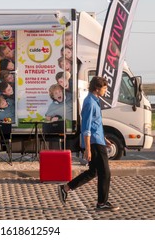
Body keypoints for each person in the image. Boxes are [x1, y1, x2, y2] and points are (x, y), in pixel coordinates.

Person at [57, 76, 119, 211]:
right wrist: (88, 149)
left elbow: (96, 124)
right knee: (105, 173)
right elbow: (86, 127)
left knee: (93, 172)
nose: (106, 90)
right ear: (97, 88)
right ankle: (102, 203)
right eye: (104, 88)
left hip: (99, 140)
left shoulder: (95, 100)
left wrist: (105, 139)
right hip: (95, 143)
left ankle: (65, 188)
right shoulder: (90, 103)